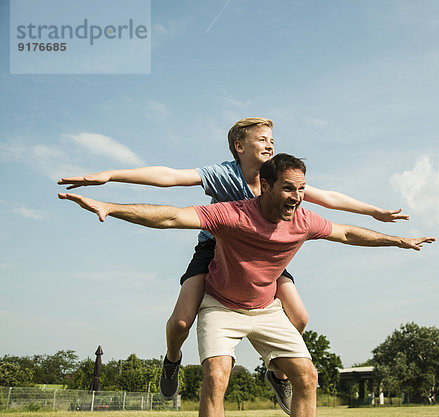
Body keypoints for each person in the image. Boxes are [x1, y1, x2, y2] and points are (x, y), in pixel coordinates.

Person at [58, 117, 409, 410]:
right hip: (216, 248)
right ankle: (172, 359)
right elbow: (169, 178)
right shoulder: (226, 175)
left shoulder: (285, 182)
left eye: (272, 139)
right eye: (262, 139)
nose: (269, 145)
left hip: (265, 257)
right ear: (239, 146)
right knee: (181, 319)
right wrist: (110, 177)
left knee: (300, 317)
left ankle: (278, 373)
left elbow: (332, 204)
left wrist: (374, 212)